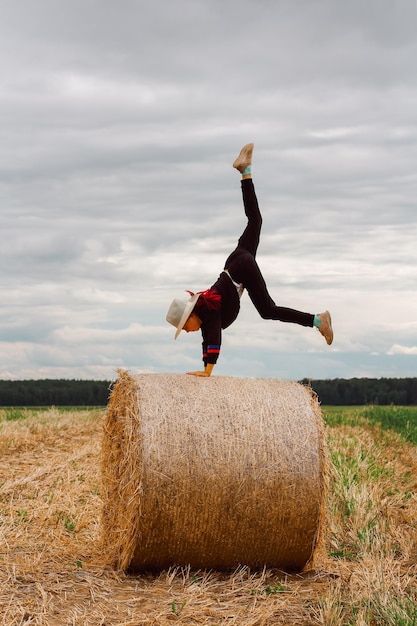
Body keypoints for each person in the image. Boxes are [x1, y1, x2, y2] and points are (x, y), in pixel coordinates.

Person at [166, 143, 333, 377]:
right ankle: (245, 171)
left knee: (268, 310)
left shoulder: (209, 311)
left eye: (184, 326)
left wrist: (207, 371)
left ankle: (318, 321)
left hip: (240, 268)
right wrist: (204, 364)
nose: (186, 331)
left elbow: (214, 337)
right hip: (235, 263)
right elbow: (208, 339)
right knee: (255, 221)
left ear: (192, 314)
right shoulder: (206, 311)